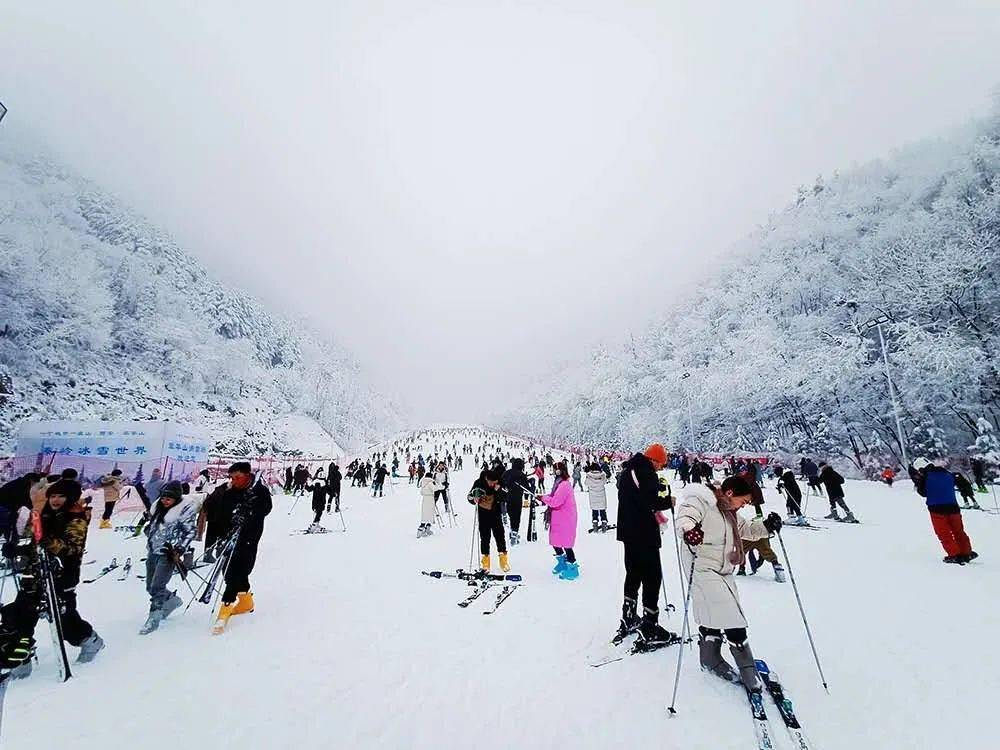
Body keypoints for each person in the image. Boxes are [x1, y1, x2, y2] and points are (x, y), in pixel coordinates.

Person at [675, 476, 782, 691]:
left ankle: (709, 658)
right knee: (731, 615)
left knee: (715, 611)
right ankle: (747, 668)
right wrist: (690, 531)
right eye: (744, 501)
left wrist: (767, 526)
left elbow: (747, 530)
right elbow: (685, 517)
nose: (744, 505)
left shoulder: (729, 512)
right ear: (731, 493)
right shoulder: (702, 500)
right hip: (702, 565)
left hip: (723, 568)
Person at [1, 479, 105, 671]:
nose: (55, 500)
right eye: (53, 496)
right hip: (34, 574)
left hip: (60, 576)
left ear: (70, 498)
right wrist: (15, 548)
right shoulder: (44, 516)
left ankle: (89, 640)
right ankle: (21, 659)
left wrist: (46, 539)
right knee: (19, 615)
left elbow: (71, 549)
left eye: (61, 496)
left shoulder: (76, 519)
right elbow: (33, 544)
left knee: (64, 622)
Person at [615, 444, 678, 646]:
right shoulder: (647, 473)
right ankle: (650, 626)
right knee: (652, 576)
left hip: (627, 531)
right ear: (654, 460)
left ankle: (629, 616)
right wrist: (669, 501)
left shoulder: (628, 471)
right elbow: (651, 502)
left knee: (633, 573)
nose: (661, 468)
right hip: (644, 533)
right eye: (661, 464)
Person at [202, 462, 273, 635]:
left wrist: (250, 509)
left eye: (238, 477)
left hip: (249, 537)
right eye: (232, 478)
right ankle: (246, 602)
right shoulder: (228, 491)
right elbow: (219, 512)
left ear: (247, 475)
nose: (234, 481)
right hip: (228, 537)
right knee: (229, 572)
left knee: (239, 569)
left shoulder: (259, 490)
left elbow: (266, 508)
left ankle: (225, 609)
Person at [140, 481, 200, 634]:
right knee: (149, 586)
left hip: (169, 554)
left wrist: (180, 548)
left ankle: (154, 617)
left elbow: (191, 532)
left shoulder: (183, 512)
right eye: (163, 498)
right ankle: (172, 601)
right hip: (153, 550)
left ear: (176, 499)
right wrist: (148, 530)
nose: (165, 501)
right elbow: (154, 527)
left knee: (157, 587)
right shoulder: (158, 509)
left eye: (169, 499)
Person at [913, 458, 976, 564]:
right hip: (953, 507)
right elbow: (963, 484)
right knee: (959, 531)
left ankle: (954, 554)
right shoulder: (947, 473)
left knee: (944, 533)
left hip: (936, 509)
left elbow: (923, 492)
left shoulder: (925, 477)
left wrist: (919, 480)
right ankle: (967, 552)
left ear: (921, 468)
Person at [537, 461, 579, 580]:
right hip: (558, 517)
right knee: (555, 542)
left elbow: (556, 501)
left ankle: (572, 567)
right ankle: (562, 562)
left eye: (557, 469)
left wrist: (544, 498)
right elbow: (552, 496)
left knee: (566, 543)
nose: (555, 472)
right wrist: (542, 497)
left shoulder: (565, 485)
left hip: (566, 518)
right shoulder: (558, 483)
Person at [469, 468, 509, 572]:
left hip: (495, 513)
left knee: (500, 536)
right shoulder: (478, 483)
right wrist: (474, 499)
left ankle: (503, 560)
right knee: (485, 537)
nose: (493, 484)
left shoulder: (499, 483)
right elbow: (469, 496)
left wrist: (498, 490)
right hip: (483, 514)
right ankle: (485, 562)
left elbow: (505, 497)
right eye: (492, 483)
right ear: (487, 479)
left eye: (495, 482)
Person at [500, 458, 529, 545]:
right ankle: (514, 533)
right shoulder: (522, 475)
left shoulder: (507, 473)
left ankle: (513, 532)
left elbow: (501, 484)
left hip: (508, 498)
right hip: (518, 499)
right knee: (516, 517)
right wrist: (526, 497)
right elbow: (527, 489)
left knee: (511, 515)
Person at [585, 462, 609, 531]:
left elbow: (586, 483)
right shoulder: (602, 475)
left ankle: (595, 524)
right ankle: (604, 522)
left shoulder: (589, 475)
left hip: (593, 496)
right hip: (601, 495)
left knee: (594, 510)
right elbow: (605, 481)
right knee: (602, 510)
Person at [417, 471, 438, 537]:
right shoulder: (430, 482)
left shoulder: (423, 482)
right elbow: (435, 489)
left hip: (425, 499)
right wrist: (436, 484)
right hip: (430, 499)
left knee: (425, 514)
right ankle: (426, 529)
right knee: (429, 514)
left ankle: (421, 530)